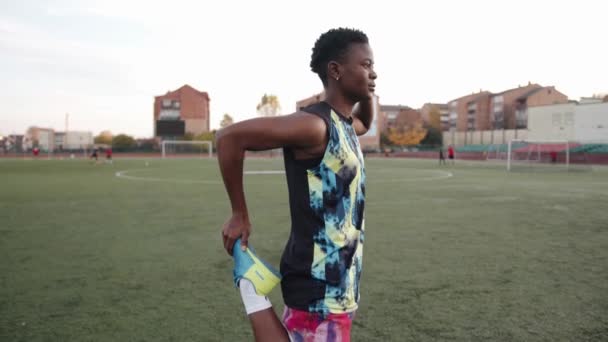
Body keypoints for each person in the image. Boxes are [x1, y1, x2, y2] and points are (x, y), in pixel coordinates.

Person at [216, 27, 377, 342]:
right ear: (335, 70)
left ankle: (252, 289)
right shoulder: (314, 126)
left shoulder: (345, 125)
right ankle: (251, 289)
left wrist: (368, 91)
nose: (374, 73)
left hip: (341, 279)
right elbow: (229, 138)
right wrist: (239, 214)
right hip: (318, 280)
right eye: (366, 65)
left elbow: (366, 123)